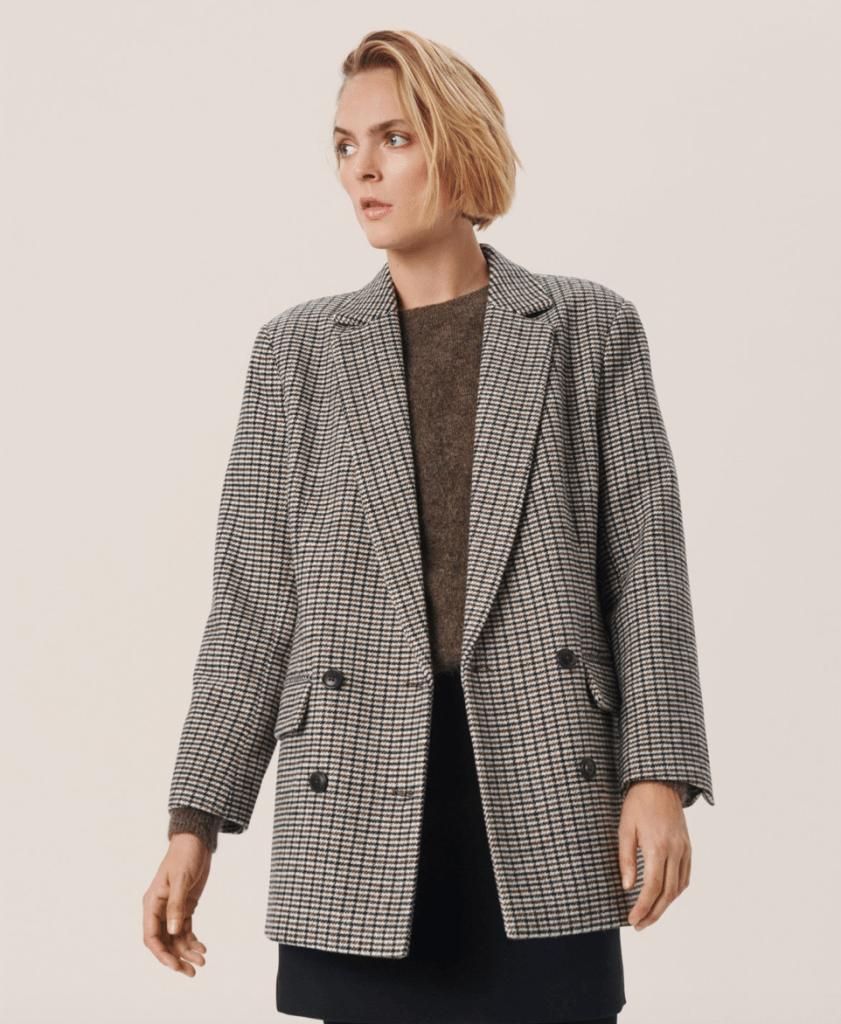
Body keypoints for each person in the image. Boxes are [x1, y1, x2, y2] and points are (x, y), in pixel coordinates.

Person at [142, 29, 714, 1024]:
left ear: (458, 146)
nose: (360, 168)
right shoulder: (296, 352)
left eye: (393, 138)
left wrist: (657, 773)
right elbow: (252, 606)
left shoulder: (587, 328)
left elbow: (645, 574)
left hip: (543, 775)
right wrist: (194, 820)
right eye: (343, 144)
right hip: (352, 786)